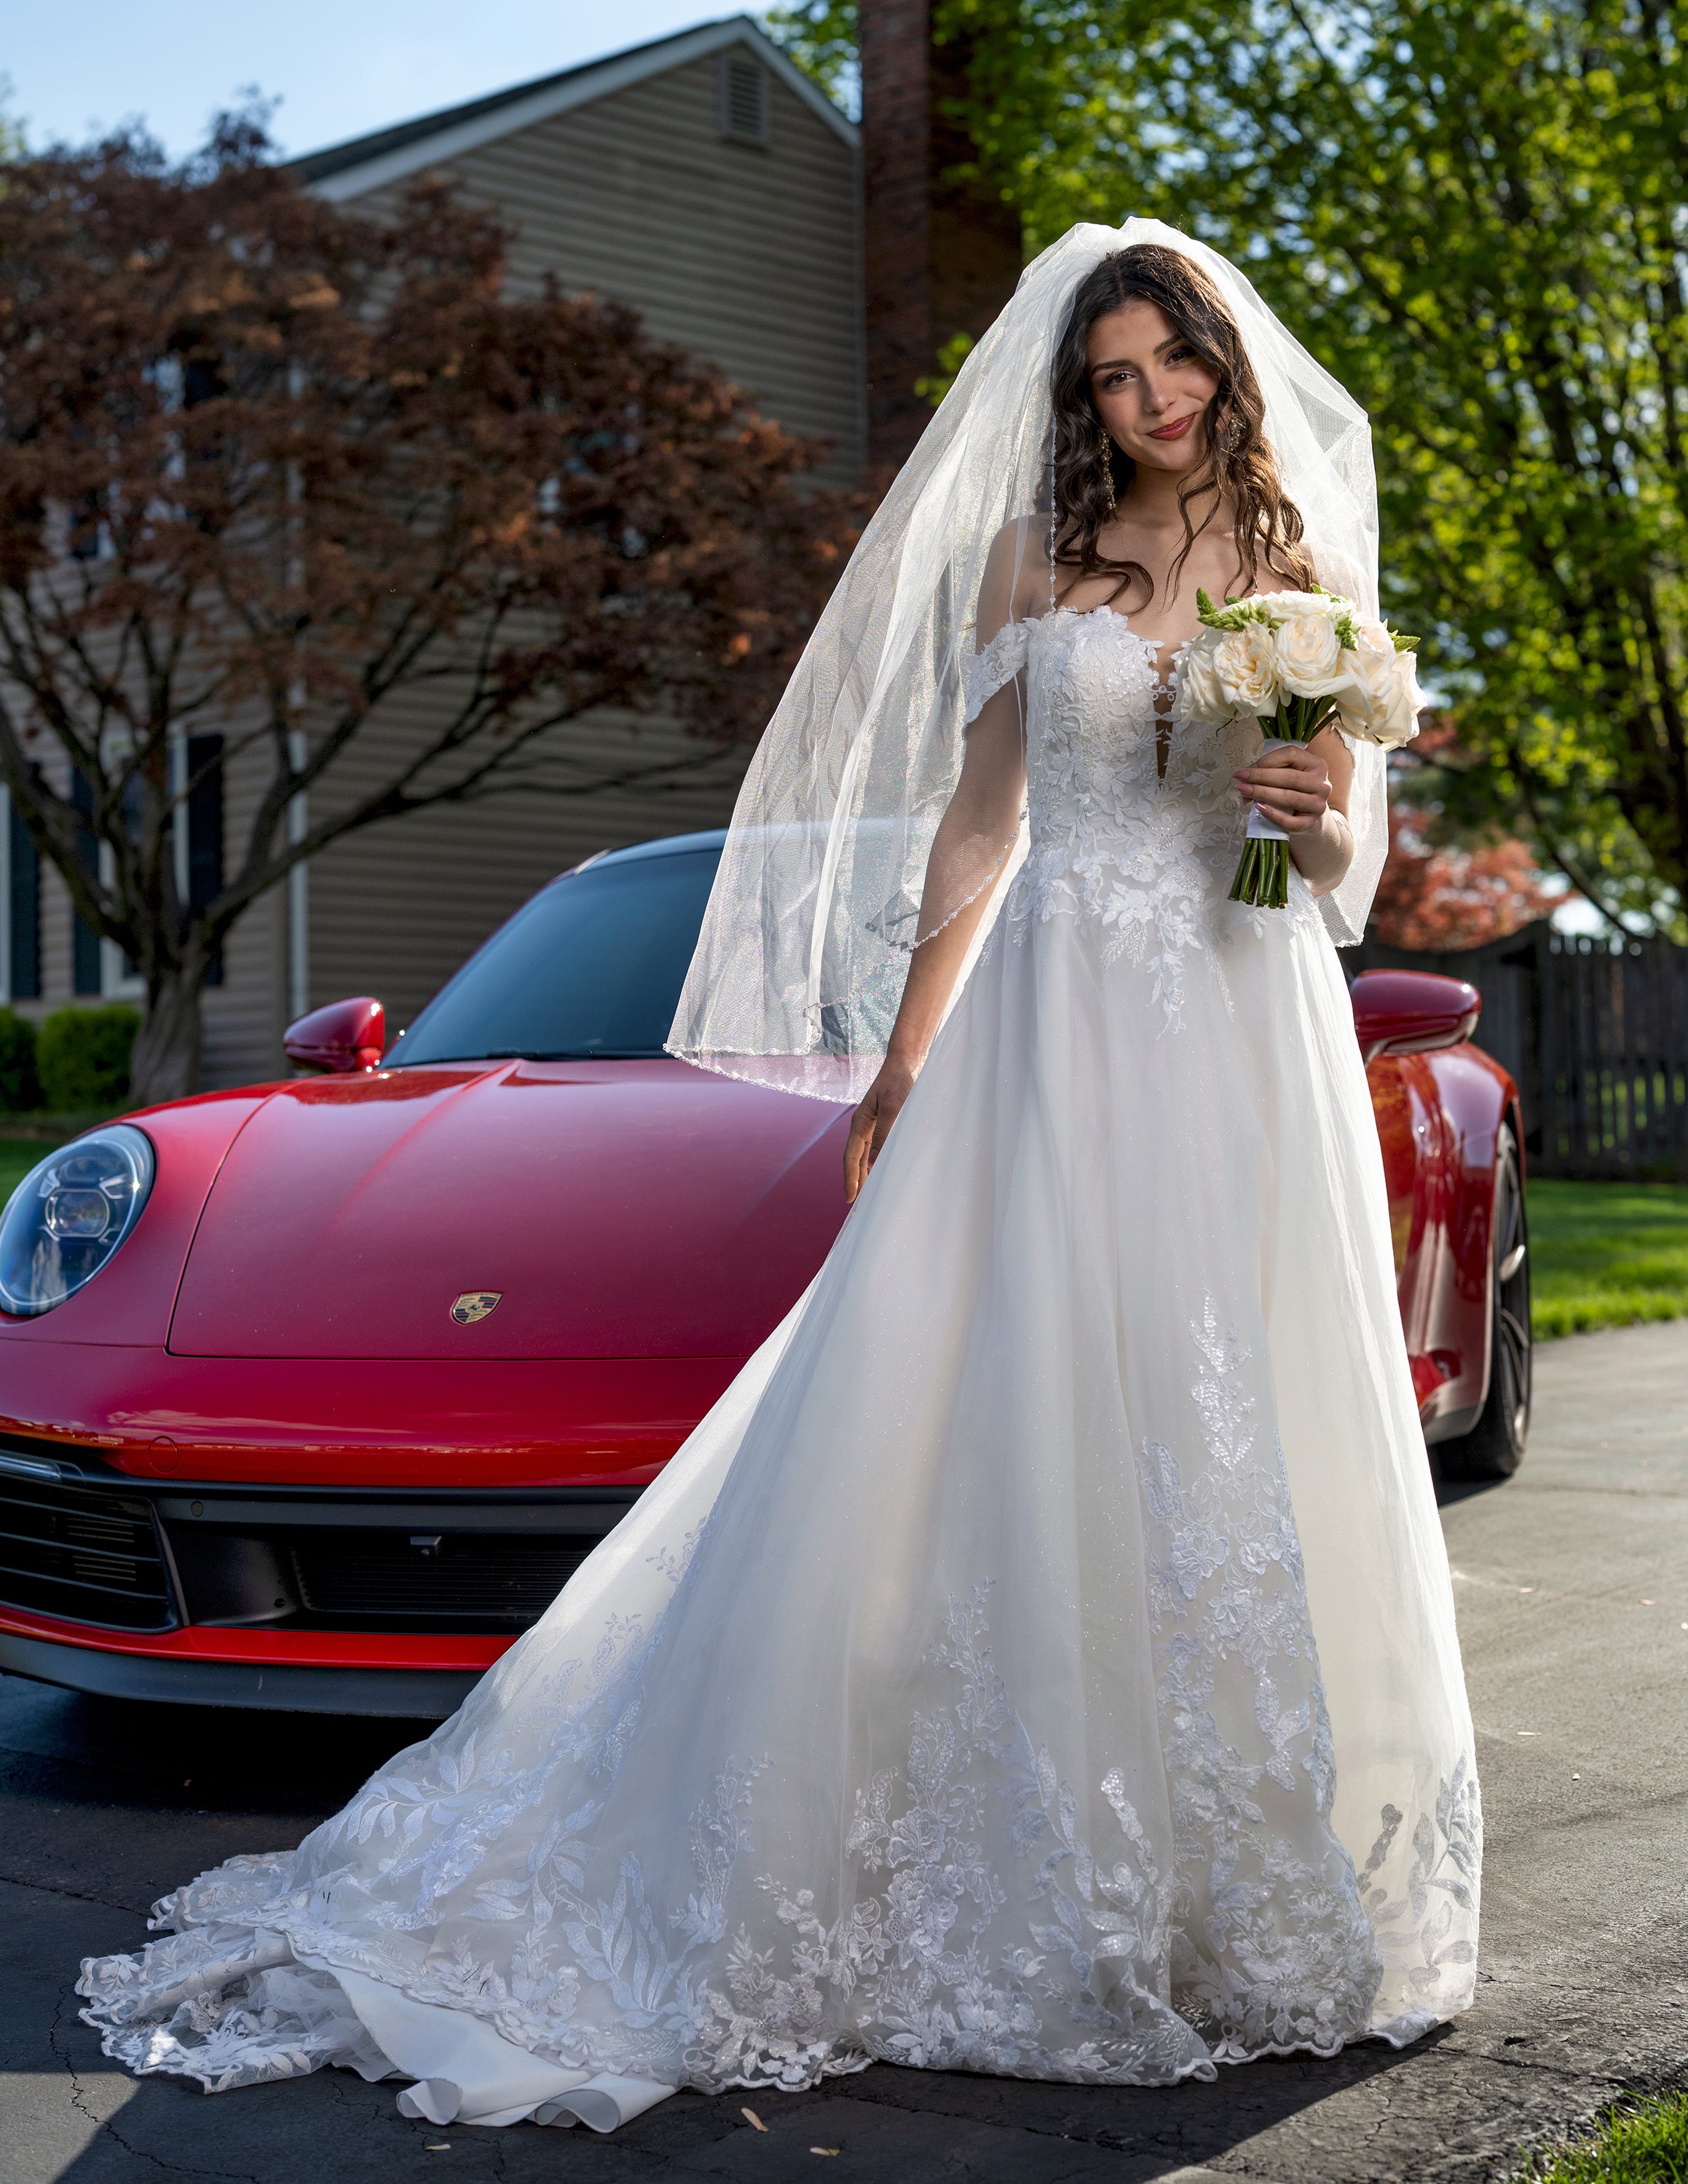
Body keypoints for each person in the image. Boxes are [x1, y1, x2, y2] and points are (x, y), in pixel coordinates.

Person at [78, 222, 1480, 2134]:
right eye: (1113, 378)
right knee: (1024, 1416)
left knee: (1221, 1433)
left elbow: (1327, 881)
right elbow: (982, 831)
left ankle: (1229, 1894)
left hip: (1236, 1039)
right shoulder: (1032, 564)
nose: (1153, 402)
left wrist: (1315, 819)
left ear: (1226, 369)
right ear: (1079, 405)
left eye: (1177, 367)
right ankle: (1009, 1872)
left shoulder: (1298, 575)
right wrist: (903, 1058)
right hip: (1055, 1041)